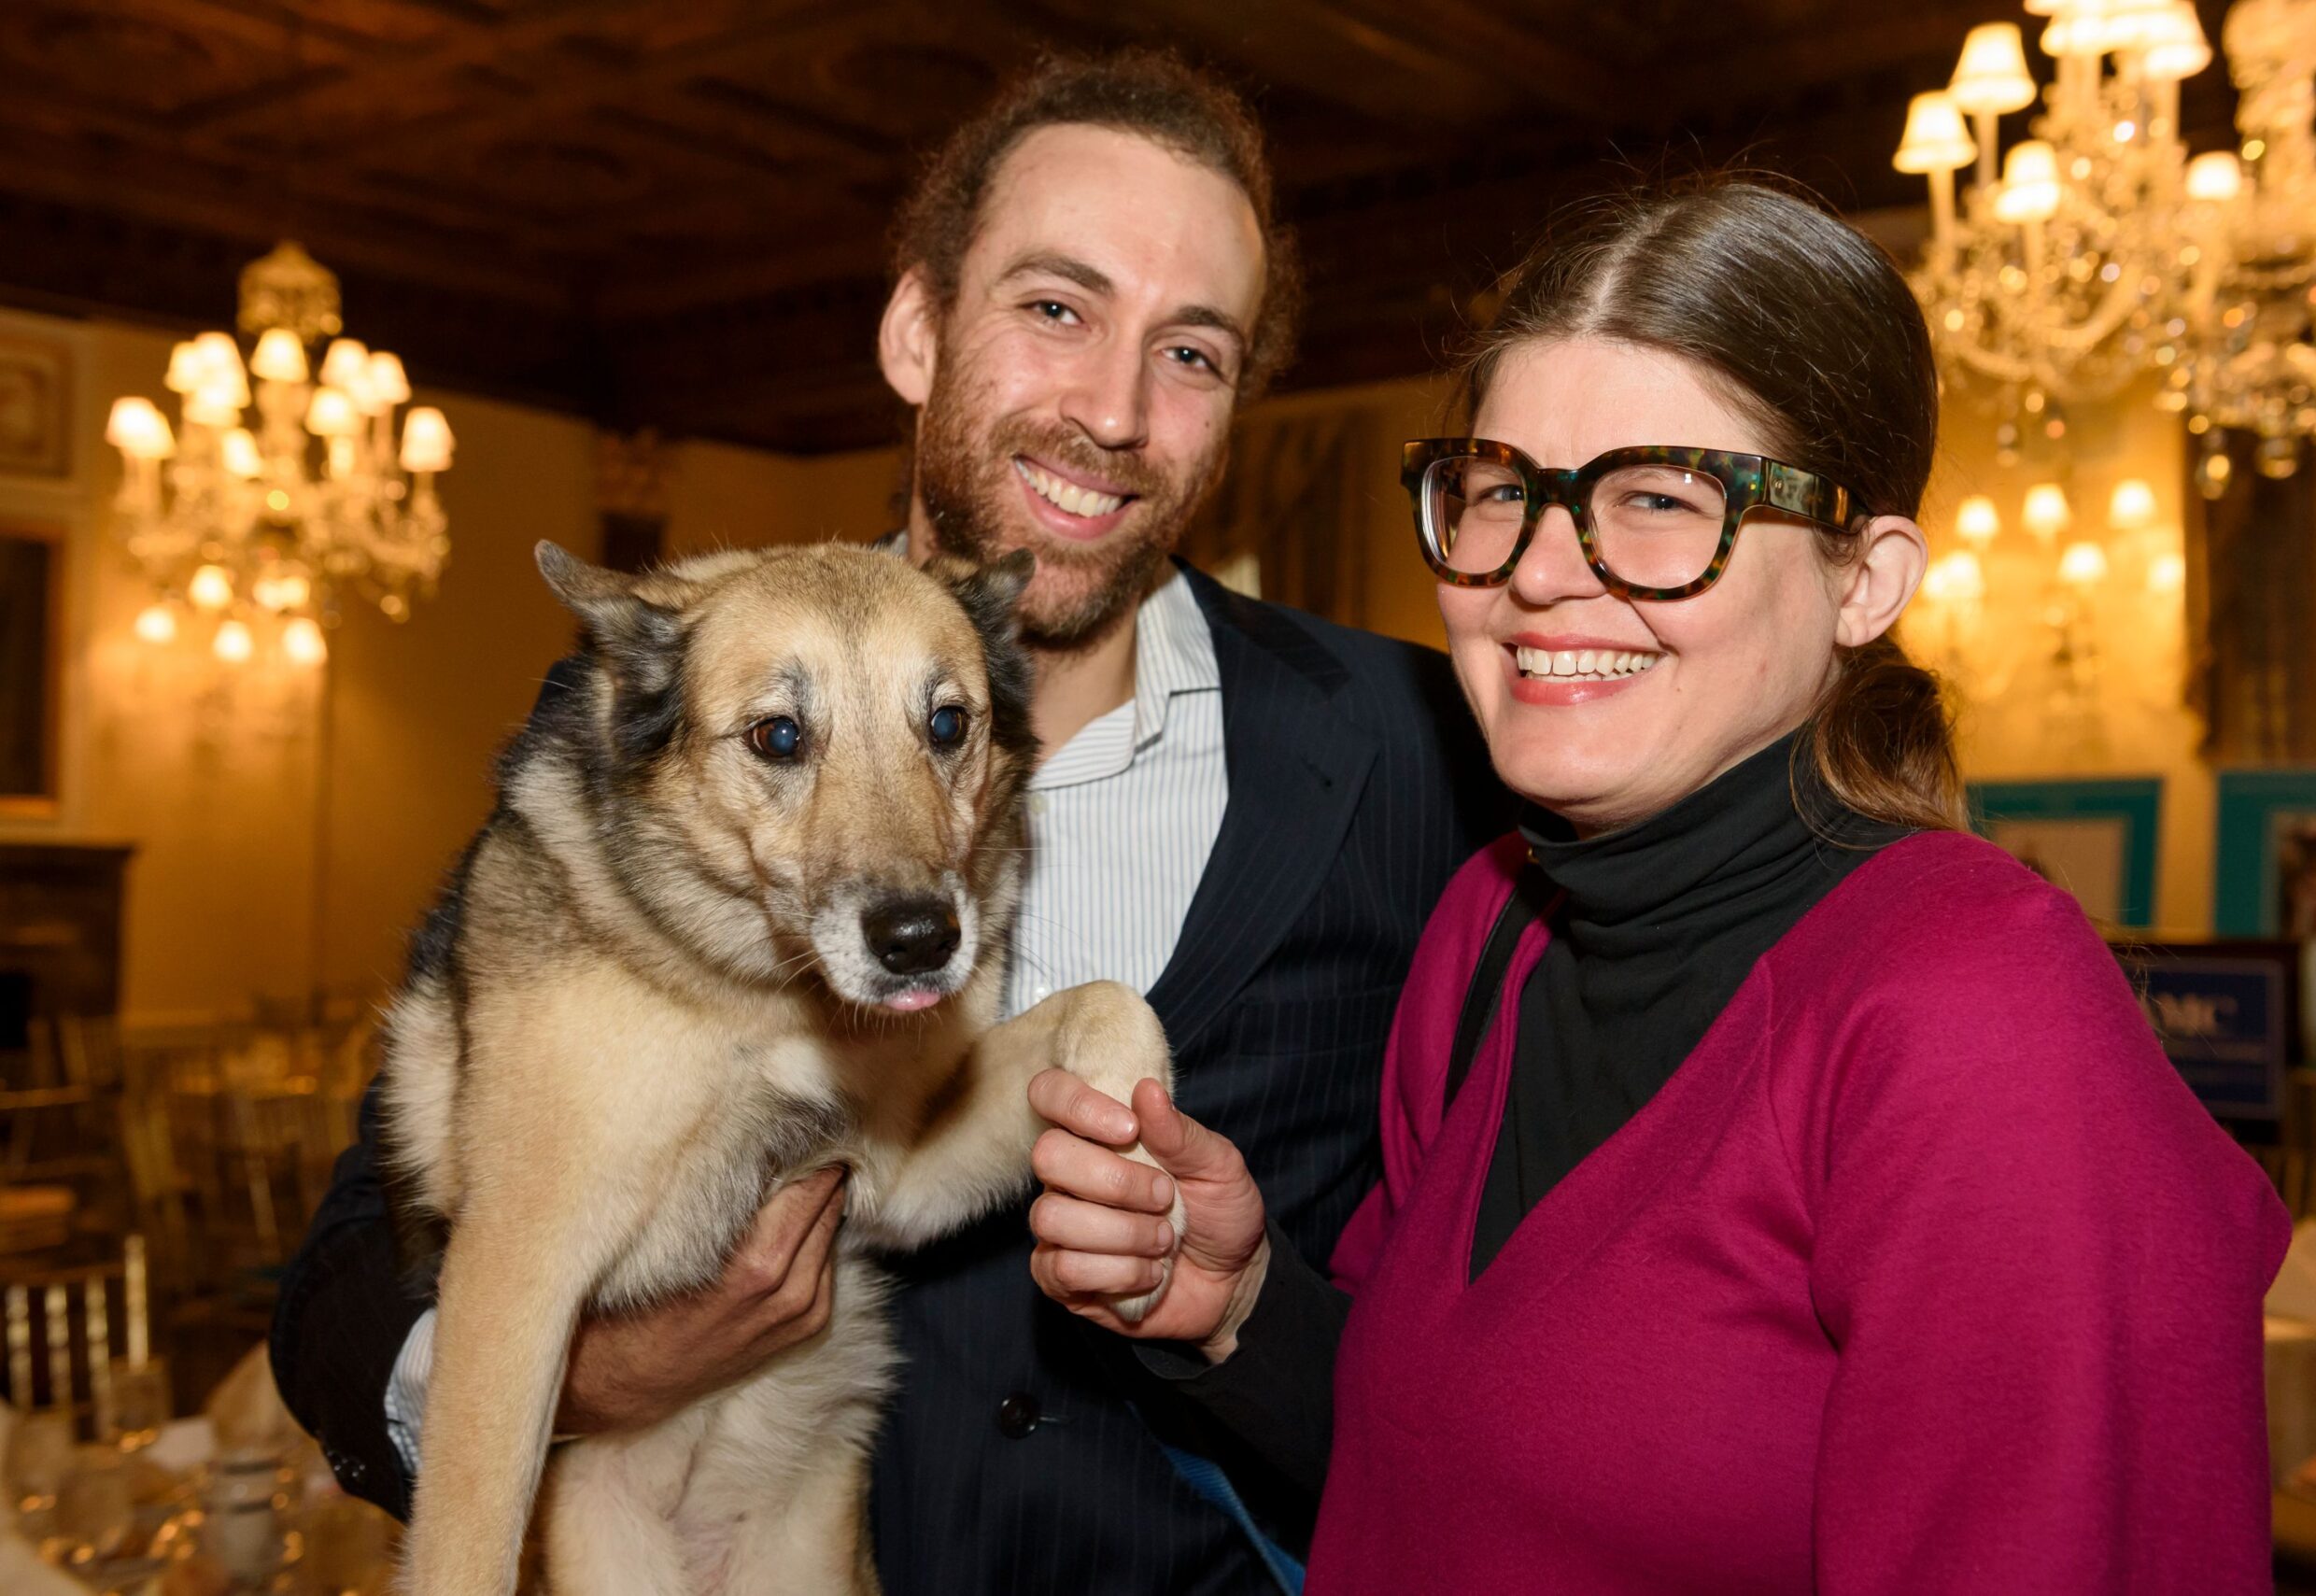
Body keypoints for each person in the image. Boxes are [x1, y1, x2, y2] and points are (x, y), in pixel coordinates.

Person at [268, 50, 1504, 1595]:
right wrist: (605, 1374)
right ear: (917, 328)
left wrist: (1245, 1302)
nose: (1115, 410)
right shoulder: (649, 725)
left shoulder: (1427, 751)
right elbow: (343, 1280)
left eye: (1192, 353)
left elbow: (1494, 1346)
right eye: (1055, 308)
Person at [1026, 180, 2293, 1594]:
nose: (1542, 572)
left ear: (1864, 579)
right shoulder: (1491, 930)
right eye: (1501, 490)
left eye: (1657, 500)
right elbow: (1442, 1493)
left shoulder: (1976, 1015)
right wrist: (1241, 1310)